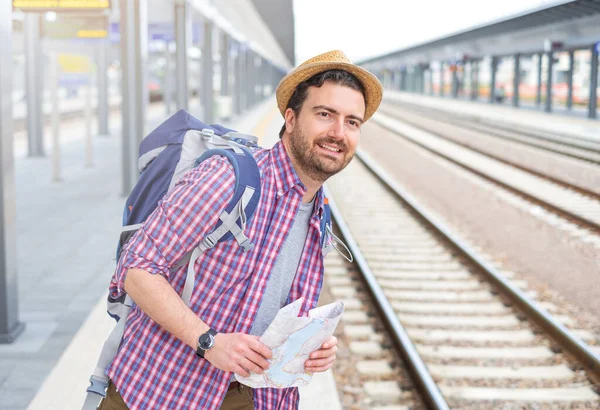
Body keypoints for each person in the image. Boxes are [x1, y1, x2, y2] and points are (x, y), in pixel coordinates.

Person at [100, 50, 383, 410]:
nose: (338, 133)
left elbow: (275, 310)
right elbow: (136, 267)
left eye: (352, 122)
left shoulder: (319, 214)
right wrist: (208, 342)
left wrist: (308, 347)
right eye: (325, 114)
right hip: (162, 392)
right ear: (292, 119)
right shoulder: (228, 177)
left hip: (255, 397)